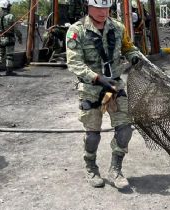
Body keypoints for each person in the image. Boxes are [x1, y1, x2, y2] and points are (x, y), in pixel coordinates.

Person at [66, 0, 142, 189]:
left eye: (106, 7)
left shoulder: (118, 27)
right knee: (92, 135)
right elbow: (74, 63)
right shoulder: (77, 31)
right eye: (98, 7)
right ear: (88, 7)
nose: (102, 12)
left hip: (114, 87)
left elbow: (128, 46)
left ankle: (115, 170)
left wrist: (133, 55)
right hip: (91, 89)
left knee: (125, 129)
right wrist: (98, 78)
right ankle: (91, 167)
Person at [0, 0, 22, 76]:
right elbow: (16, 29)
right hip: (9, 39)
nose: (10, 7)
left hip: (0, 38)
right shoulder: (10, 16)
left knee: (0, 55)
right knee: (9, 56)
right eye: (9, 6)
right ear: (6, 7)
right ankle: (9, 71)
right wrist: (19, 37)